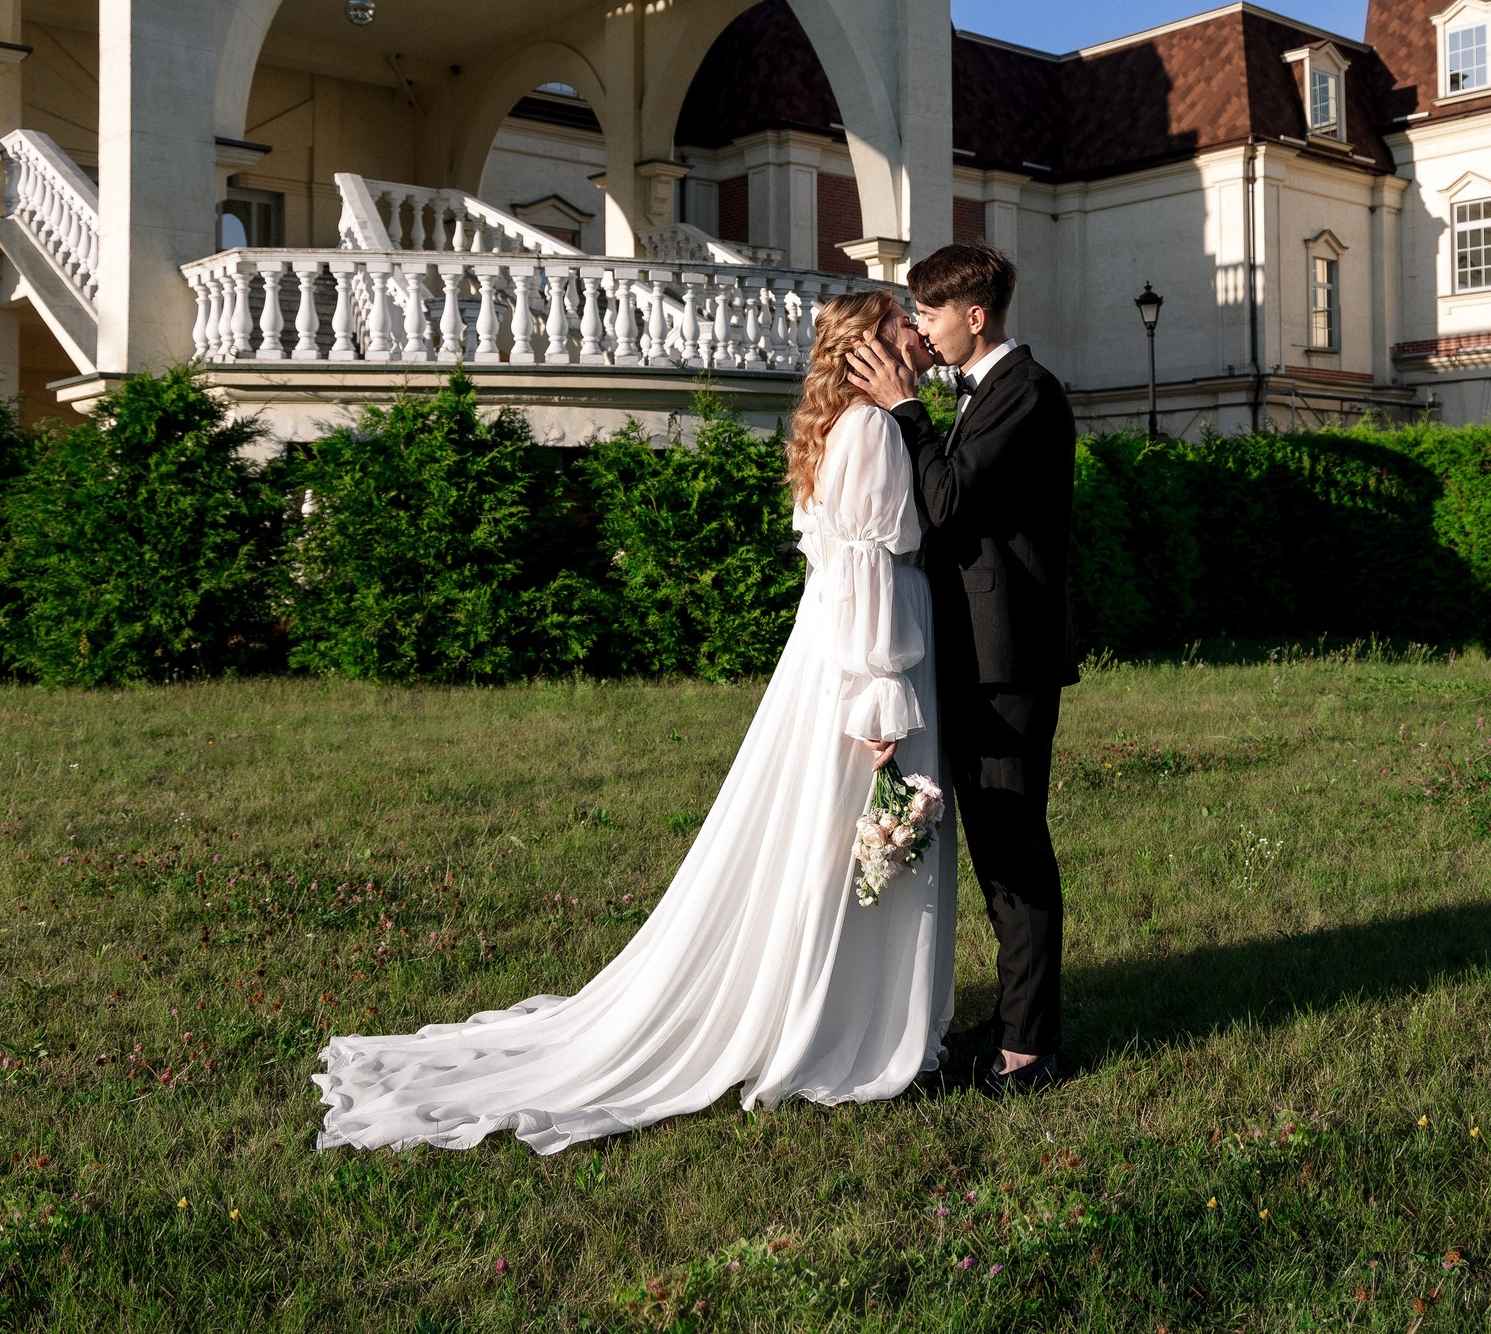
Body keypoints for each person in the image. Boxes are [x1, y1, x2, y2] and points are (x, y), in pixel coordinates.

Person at [312, 290, 956, 1154]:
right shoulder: (873, 428)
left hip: (836, 651)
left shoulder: (840, 426)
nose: (918, 329)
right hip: (869, 661)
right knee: (859, 833)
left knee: (831, 837)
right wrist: (880, 697)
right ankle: (843, 1026)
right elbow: (868, 571)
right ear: (872, 344)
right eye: (903, 320)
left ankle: (830, 1004)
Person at [847, 242, 1077, 1096]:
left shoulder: (1028, 390)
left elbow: (944, 503)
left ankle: (1030, 1049)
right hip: (980, 657)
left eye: (930, 313)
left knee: (1013, 846)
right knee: (993, 848)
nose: (922, 329)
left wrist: (906, 409)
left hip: (1008, 664)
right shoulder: (987, 391)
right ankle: (1018, 1021)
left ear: (973, 316)